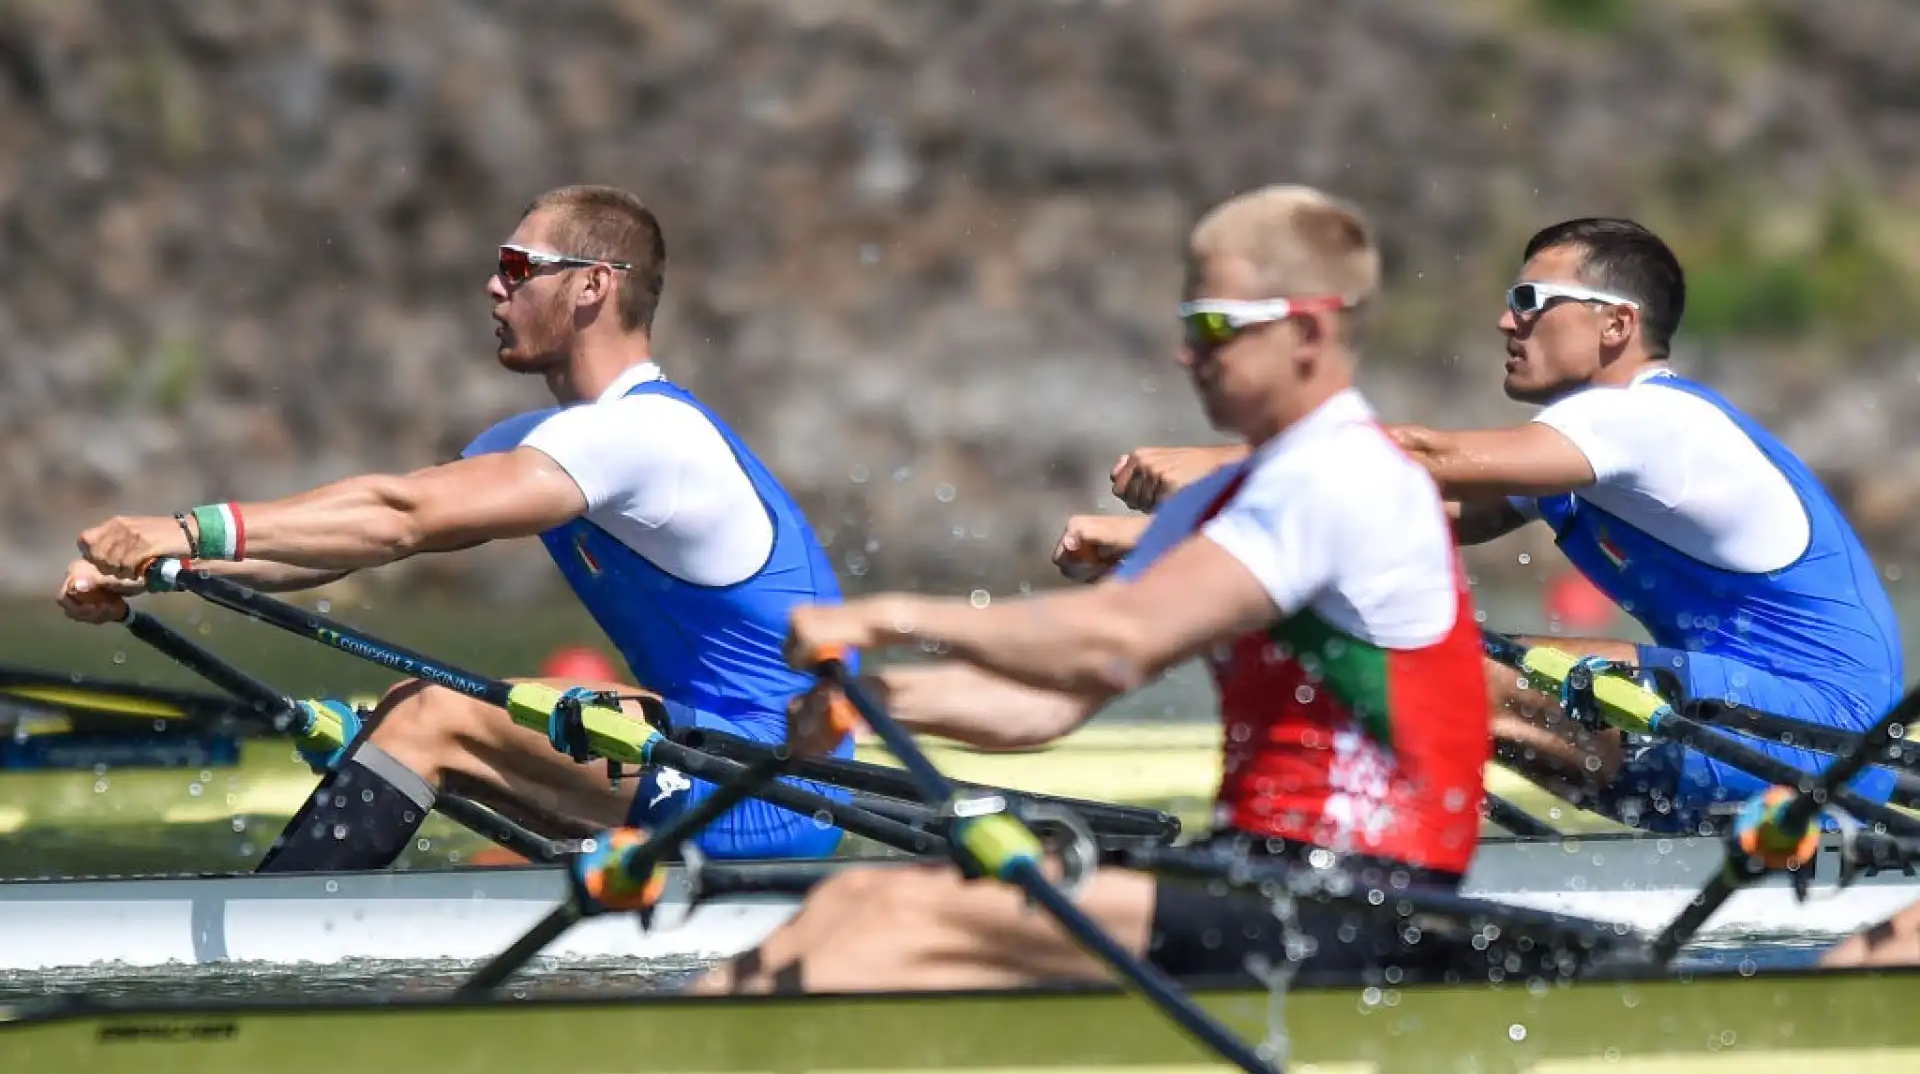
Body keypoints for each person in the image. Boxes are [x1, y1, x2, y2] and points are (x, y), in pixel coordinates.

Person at [685, 184, 1493, 995]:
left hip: (1365, 898)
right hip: (1260, 876)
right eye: (1186, 325)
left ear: (1309, 329)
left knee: (903, 921)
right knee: (854, 897)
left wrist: (892, 616)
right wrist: (873, 701)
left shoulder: (1347, 476)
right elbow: (1053, 699)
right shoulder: (1220, 502)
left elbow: (1119, 636)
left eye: (1212, 326)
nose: (1187, 352)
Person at [58, 184, 854, 871]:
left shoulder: (642, 437)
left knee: (431, 714)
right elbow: (345, 544)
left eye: (517, 269)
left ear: (592, 288)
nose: (491, 288)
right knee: (412, 708)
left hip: (781, 784)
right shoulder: (541, 445)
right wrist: (158, 575)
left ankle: (275, 935)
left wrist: (184, 530)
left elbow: (397, 519)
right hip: (708, 758)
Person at [1082, 218, 1904, 835]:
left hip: (1817, 734)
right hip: (1747, 724)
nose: (1507, 323)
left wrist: (1220, 463)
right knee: (1374, 657)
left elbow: (1425, 455)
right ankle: (1354, 862)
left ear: (1616, 325)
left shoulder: (1648, 423)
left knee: (1425, 674)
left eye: (1530, 303)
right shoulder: (1586, 451)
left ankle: (1328, 874)